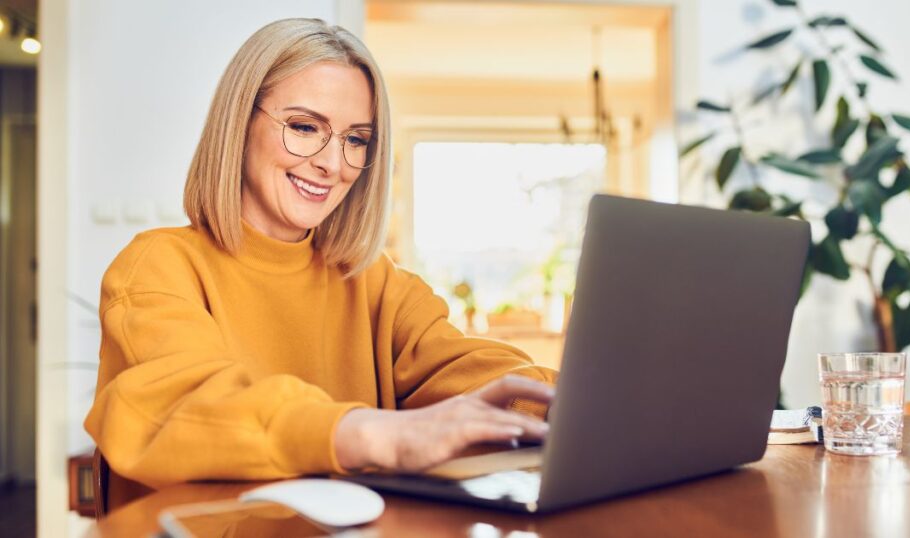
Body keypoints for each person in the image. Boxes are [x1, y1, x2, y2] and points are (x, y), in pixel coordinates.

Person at [84, 18, 558, 508]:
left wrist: (570, 403)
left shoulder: (374, 282)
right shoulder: (158, 267)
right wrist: (372, 435)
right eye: (305, 127)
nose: (334, 164)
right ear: (239, 124)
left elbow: (473, 370)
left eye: (356, 139)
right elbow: (189, 405)